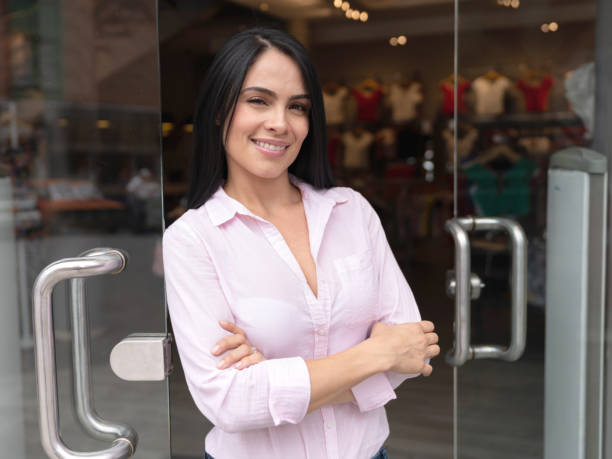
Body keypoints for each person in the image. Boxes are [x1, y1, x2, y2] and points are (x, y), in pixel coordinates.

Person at [162, 28, 439, 459]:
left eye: (298, 107)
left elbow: (411, 352)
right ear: (220, 109)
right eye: (258, 100)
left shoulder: (352, 211)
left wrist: (273, 380)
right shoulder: (193, 239)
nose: (280, 122)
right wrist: (375, 354)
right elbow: (229, 402)